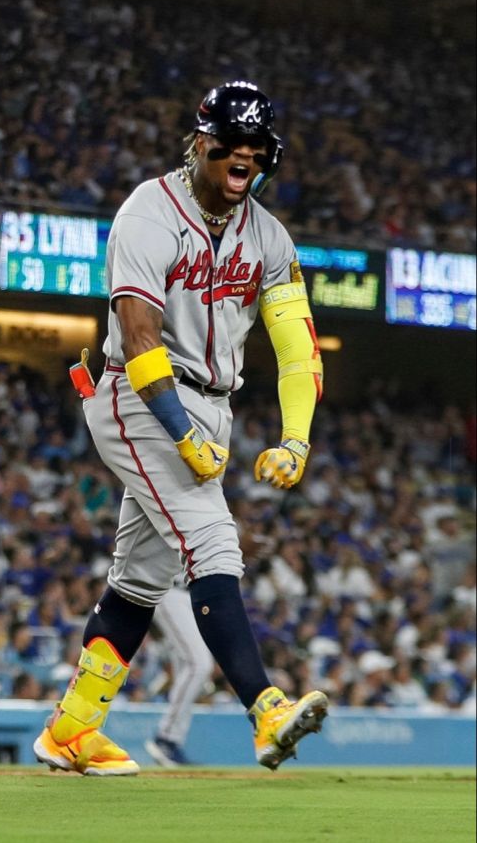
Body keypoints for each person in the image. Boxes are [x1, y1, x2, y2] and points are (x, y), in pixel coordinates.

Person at [34, 81, 328, 777]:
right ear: (199, 142)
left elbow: (297, 349)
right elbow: (139, 339)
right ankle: (266, 710)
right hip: (138, 397)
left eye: (255, 150)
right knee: (210, 538)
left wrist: (295, 438)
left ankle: (72, 729)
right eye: (230, 145)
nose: (243, 158)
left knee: (140, 579)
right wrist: (178, 428)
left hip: (212, 405)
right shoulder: (148, 212)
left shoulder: (269, 236)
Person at [145, 576, 214, 767]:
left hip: (192, 595)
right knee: (199, 665)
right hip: (170, 591)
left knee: (186, 670)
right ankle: (165, 737)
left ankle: (172, 742)